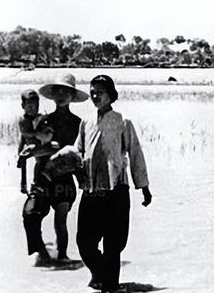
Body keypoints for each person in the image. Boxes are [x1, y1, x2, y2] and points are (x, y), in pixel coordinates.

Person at [58, 74, 152, 293]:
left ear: (111, 96)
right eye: (92, 91)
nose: (94, 95)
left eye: (99, 92)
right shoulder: (85, 123)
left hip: (116, 191)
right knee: (85, 244)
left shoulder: (122, 121)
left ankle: (110, 286)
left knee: (113, 246)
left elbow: (135, 154)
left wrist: (144, 187)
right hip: (91, 191)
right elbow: (77, 153)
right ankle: (105, 277)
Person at [22, 73, 88, 265]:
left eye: (66, 91)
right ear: (52, 95)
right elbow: (32, 148)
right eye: (57, 91)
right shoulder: (43, 121)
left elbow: (80, 152)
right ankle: (42, 254)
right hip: (42, 175)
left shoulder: (79, 123)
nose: (61, 95)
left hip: (65, 178)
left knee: (61, 220)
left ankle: (62, 256)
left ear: (72, 97)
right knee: (31, 215)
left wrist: (83, 178)